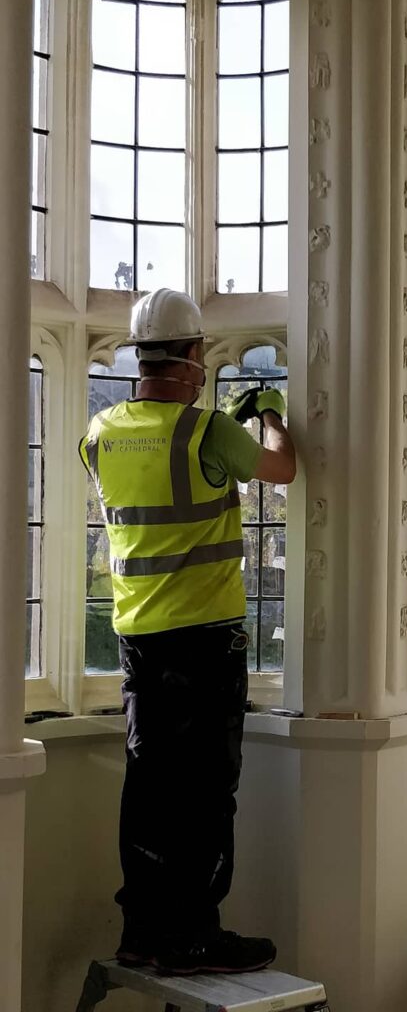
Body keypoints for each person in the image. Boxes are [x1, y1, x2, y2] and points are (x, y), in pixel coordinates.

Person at [80, 288, 297, 975]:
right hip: (204, 639)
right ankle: (197, 933)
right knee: (206, 789)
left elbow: (153, 462)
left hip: (138, 637)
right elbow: (282, 468)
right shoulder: (208, 432)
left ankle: (142, 930)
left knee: (148, 784)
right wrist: (269, 416)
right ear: (193, 358)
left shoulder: (100, 430)